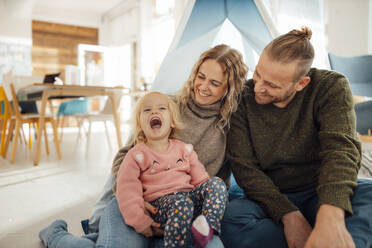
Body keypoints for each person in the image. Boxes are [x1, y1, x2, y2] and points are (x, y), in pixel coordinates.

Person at [38, 44, 248, 248]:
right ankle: (57, 235)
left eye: (214, 83)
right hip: (141, 201)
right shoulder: (164, 106)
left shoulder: (231, 125)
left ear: (229, 88)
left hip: (186, 212)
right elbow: (125, 158)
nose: (203, 86)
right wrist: (135, 203)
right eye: (200, 77)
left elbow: (219, 183)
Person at [221, 26, 372, 248]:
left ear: (301, 84)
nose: (258, 88)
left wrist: (331, 213)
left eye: (272, 84)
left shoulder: (331, 86)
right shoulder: (242, 97)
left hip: (321, 189)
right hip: (271, 198)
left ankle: (328, 236)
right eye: (258, 74)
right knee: (230, 219)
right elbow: (245, 168)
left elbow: (341, 150)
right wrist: (289, 215)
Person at [117, 92, 228, 248]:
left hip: (189, 199)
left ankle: (206, 229)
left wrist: (207, 197)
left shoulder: (184, 149)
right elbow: (126, 190)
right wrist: (140, 221)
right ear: (139, 124)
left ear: (172, 122)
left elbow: (201, 180)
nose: (154, 112)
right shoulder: (136, 154)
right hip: (161, 206)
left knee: (216, 183)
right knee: (181, 202)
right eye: (147, 110)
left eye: (162, 108)